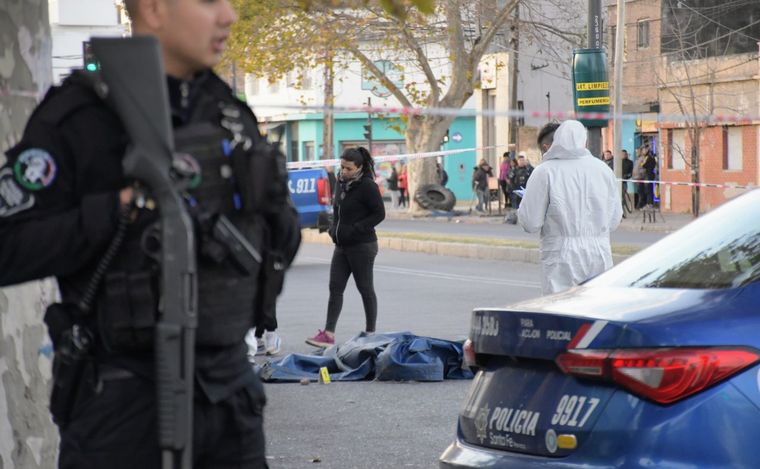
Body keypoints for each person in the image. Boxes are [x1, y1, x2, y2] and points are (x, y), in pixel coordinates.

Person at [0, 0, 300, 467]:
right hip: (121, 406)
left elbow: (276, 242)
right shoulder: (82, 115)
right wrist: (118, 209)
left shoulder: (225, 110)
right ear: (155, 9)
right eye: (209, 2)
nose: (228, 16)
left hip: (229, 400)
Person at [517, 120, 622, 295]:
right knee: (594, 311)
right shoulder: (604, 170)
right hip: (600, 253)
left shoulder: (545, 171)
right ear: (585, 142)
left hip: (560, 256)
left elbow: (530, 222)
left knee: (561, 311)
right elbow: (614, 221)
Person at [306, 147, 385, 347]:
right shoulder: (341, 183)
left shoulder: (367, 186)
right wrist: (333, 229)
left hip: (362, 245)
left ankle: (370, 333)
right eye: (341, 167)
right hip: (341, 246)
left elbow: (379, 214)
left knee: (365, 288)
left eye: (348, 168)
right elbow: (337, 210)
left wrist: (356, 229)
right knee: (335, 288)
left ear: (359, 168)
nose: (343, 171)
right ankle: (328, 334)